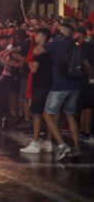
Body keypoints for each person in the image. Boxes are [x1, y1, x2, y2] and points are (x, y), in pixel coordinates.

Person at [33, 23, 94, 160]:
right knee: (70, 115)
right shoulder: (76, 46)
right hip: (75, 86)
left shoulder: (57, 44)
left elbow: (36, 51)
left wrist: (48, 42)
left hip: (59, 86)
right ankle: (76, 147)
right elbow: (88, 66)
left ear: (62, 32)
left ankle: (62, 145)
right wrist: (90, 78)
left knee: (47, 115)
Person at [20, 28, 53, 154]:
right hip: (49, 84)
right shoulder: (51, 49)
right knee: (49, 114)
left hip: (39, 85)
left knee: (37, 114)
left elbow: (34, 69)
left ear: (43, 36)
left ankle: (35, 143)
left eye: (38, 35)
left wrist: (30, 64)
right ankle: (49, 142)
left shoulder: (39, 50)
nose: (35, 37)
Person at [75, 27, 94, 144]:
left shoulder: (79, 47)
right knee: (88, 107)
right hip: (87, 79)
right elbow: (89, 65)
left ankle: (83, 132)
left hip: (80, 79)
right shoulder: (87, 47)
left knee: (84, 107)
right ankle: (87, 133)